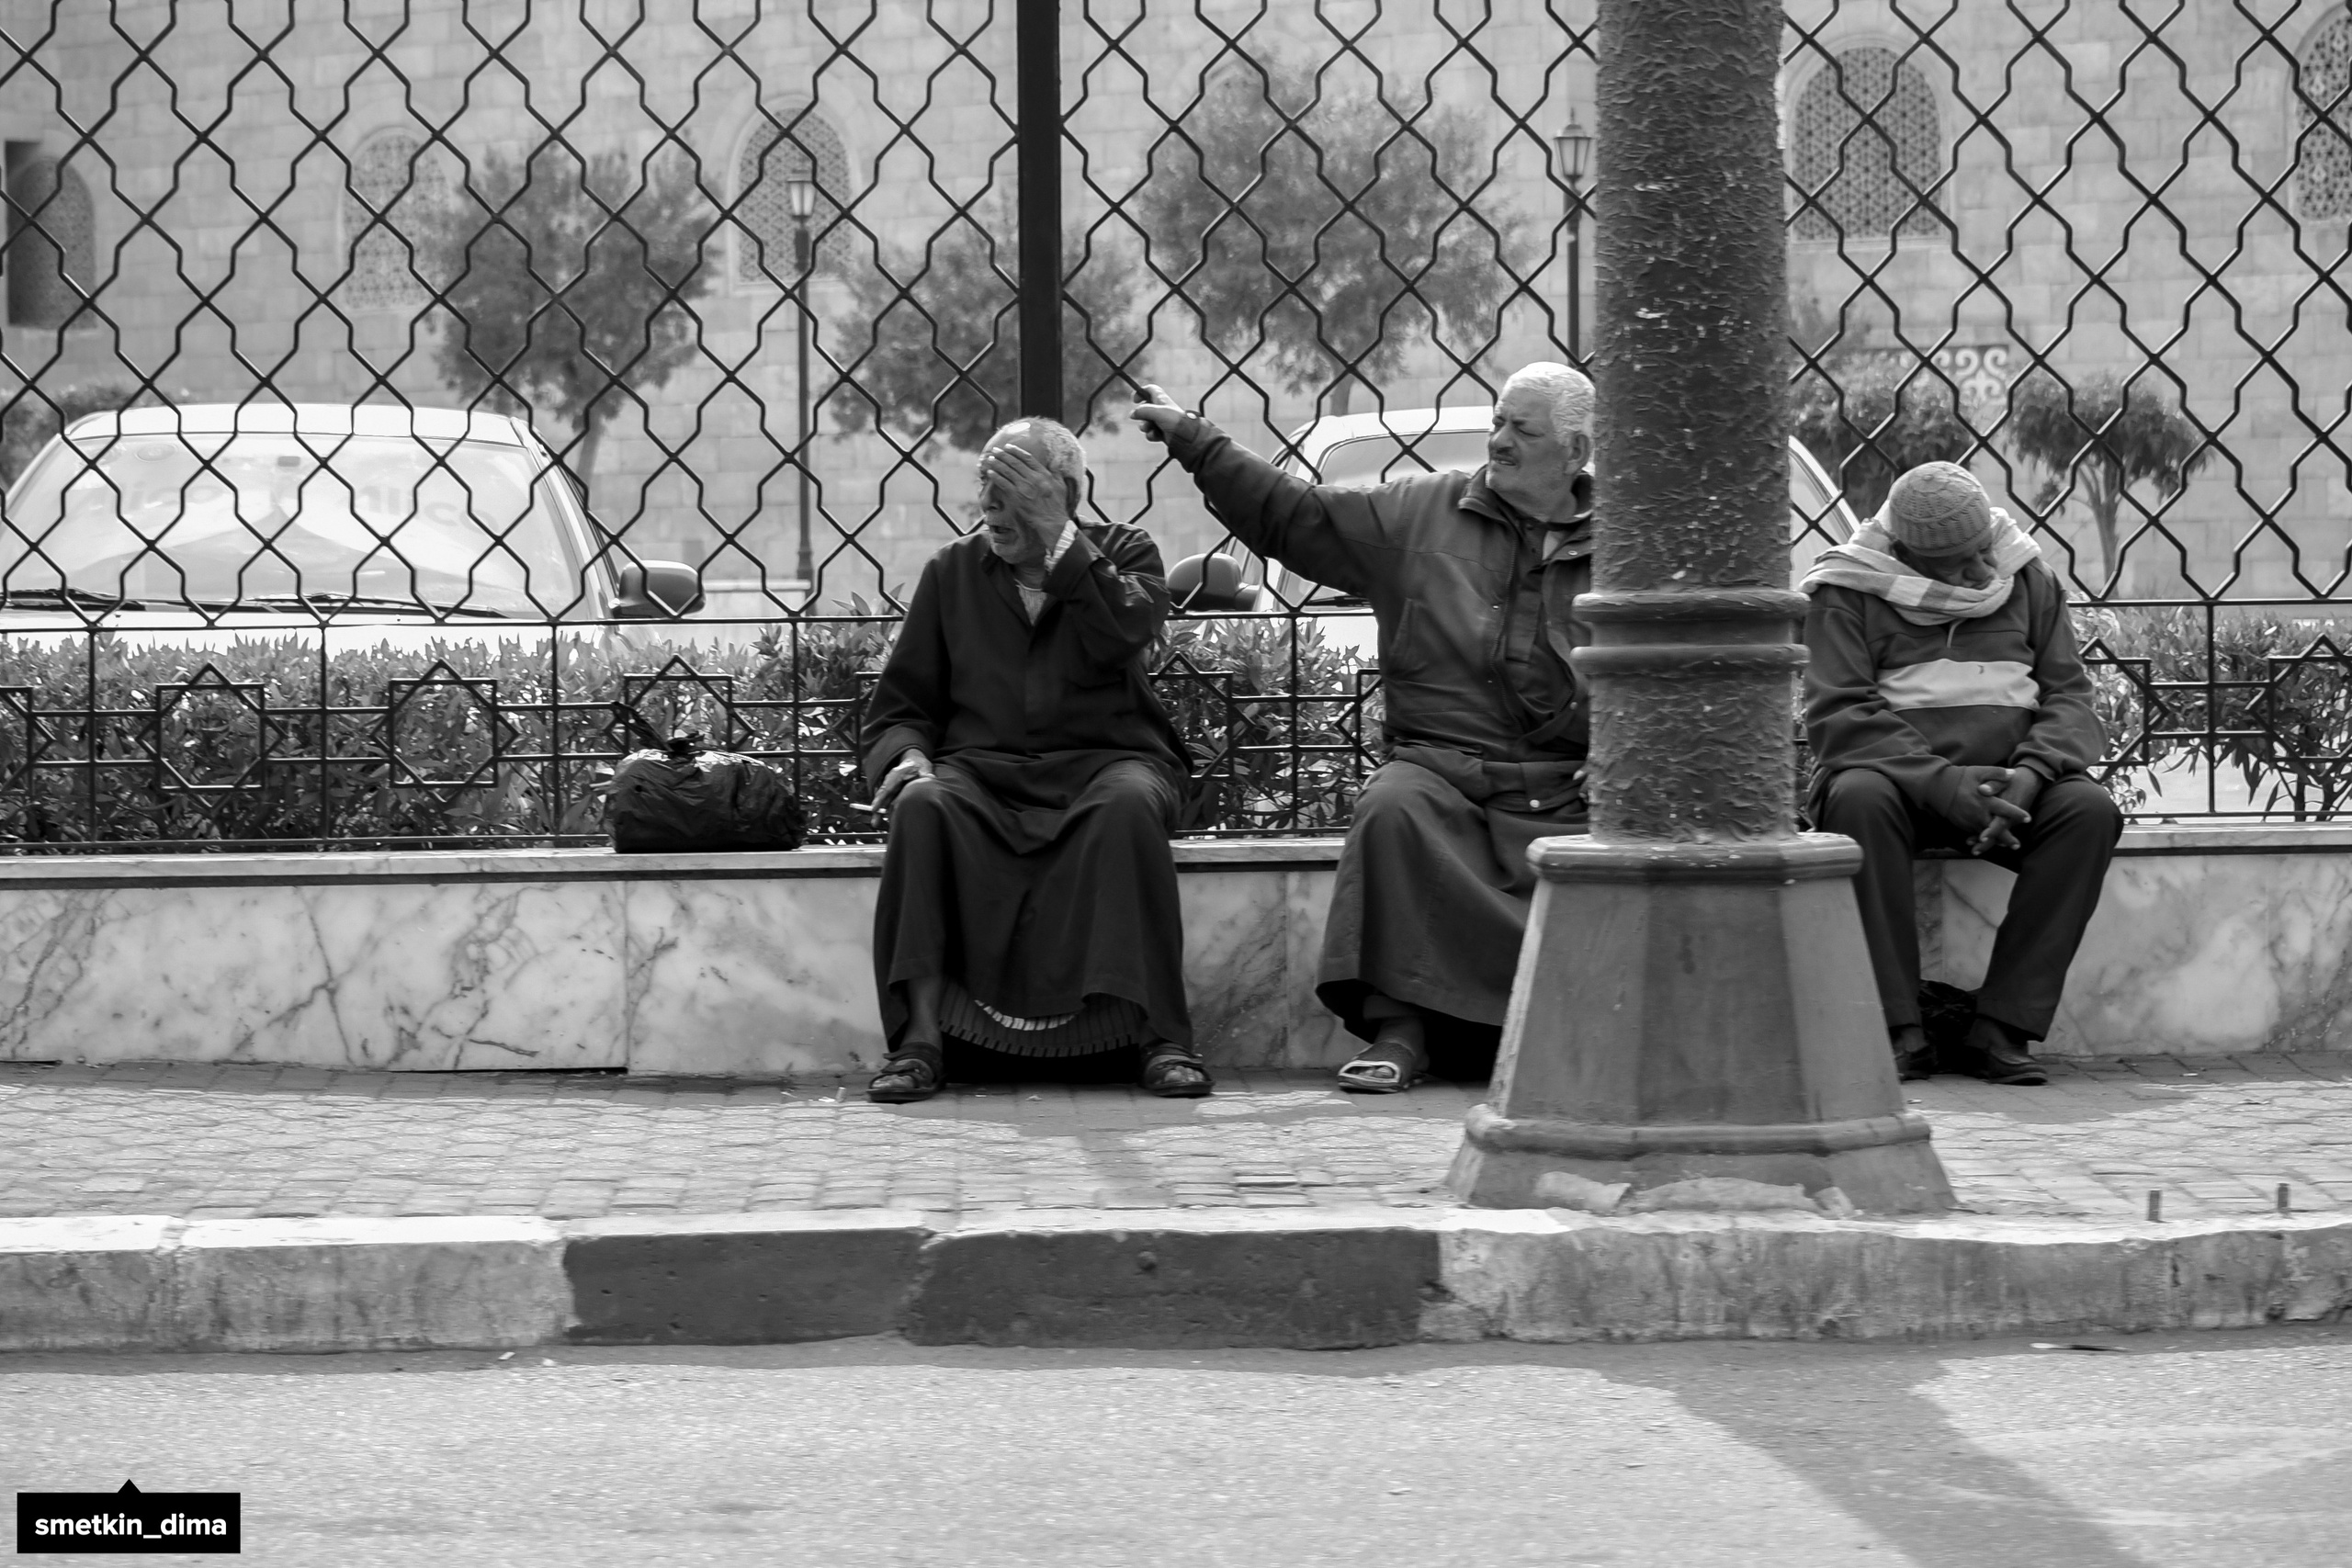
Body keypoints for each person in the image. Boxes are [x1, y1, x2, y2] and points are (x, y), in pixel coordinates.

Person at [1130, 366, 1597, 1092]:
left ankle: (1580, 1031)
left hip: (1565, 791)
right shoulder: (1421, 512)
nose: (1498, 441)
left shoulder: (1628, 546)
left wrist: (1629, 748)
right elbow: (1295, 514)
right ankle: (1401, 1031)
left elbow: (1662, 663)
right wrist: (1198, 443)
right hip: (1445, 779)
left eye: (1521, 430)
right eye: (1498, 421)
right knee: (1392, 806)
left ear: (1575, 451)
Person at [860, 417, 1211, 1104]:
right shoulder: (951, 572)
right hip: (980, 774)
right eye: (985, 483)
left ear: (1069, 493)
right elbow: (902, 705)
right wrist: (907, 756)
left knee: (1128, 806)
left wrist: (1061, 544)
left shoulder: (1124, 553)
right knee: (925, 805)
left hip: (1107, 763)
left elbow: (1122, 632)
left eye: (1014, 484)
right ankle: (920, 1041)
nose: (991, 503)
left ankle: (1161, 1037)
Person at [1800, 460, 2122, 1086]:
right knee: (1856, 799)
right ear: (1902, 553)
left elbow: (2068, 697)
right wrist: (1946, 786)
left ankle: (2001, 1028)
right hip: (1899, 785)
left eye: (1983, 551)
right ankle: (1897, 1028)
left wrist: (2030, 775)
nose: (1982, 573)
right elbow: (1841, 713)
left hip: (2012, 784)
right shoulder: (1849, 588)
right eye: (1958, 565)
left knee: (2088, 813)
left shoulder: (2026, 574)